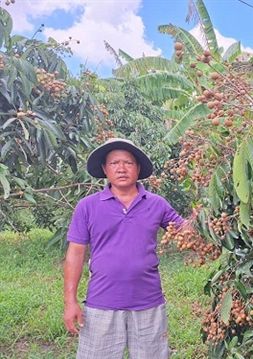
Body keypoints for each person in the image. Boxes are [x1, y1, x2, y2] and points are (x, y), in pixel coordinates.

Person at [63, 138, 185, 359]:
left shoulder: (157, 204)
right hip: (101, 304)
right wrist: (70, 301)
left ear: (138, 168)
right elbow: (75, 254)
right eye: (114, 163)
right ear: (104, 169)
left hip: (148, 303)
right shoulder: (87, 206)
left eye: (128, 163)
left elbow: (186, 233)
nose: (121, 169)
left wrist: (208, 215)